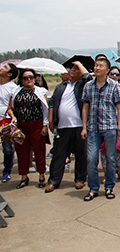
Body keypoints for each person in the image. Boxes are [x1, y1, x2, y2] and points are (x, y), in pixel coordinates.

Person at [81, 58, 120, 201]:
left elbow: (119, 108)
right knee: (91, 158)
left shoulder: (114, 86)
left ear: (107, 70)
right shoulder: (88, 86)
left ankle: (109, 187)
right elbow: (85, 107)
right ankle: (93, 188)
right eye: (96, 65)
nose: (97, 68)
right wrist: (84, 127)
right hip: (93, 128)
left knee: (111, 158)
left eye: (101, 66)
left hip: (110, 127)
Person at [45, 61, 91, 192]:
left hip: (79, 125)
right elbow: (52, 103)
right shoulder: (61, 87)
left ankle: (80, 179)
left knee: (81, 154)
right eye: (72, 68)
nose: (72, 70)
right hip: (63, 126)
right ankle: (53, 180)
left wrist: (80, 65)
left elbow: (88, 77)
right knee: (59, 154)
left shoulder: (83, 85)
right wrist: (51, 120)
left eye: (76, 69)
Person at [9, 68, 49, 189]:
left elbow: (45, 110)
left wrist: (45, 125)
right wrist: (13, 117)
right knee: (22, 152)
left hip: (36, 124)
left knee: (39, 151)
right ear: (22, 80)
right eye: (26, 78)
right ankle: (24, 176)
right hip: (21, 125)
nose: (29, 80)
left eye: (31, 77)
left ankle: (42, 175)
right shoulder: (16, 92)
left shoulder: (40, 91)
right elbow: (10, 107)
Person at [0, 63, 18, 183]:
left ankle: (7, 171)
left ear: (9, 74)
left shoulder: (13, 88)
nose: (1, 68)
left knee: (7, 148)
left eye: (5, 67)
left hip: (6, 120)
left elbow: (13, 106)